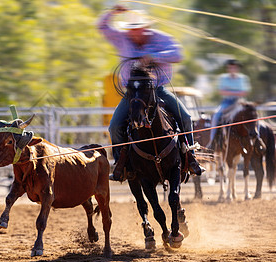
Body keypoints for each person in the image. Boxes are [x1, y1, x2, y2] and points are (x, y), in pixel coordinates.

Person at [97, 5, 204, 181]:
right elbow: (102, 27)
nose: (132, 33)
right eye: (130, 29)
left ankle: (190, 157)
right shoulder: (122, 39)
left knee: (184, 117)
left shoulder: (160, 38)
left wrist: (153, 56)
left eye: (136, 29)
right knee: (115, 126)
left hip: (158, 90)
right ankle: (120, 164)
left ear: (145, 28)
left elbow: (178, 54)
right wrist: (113, 12)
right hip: (133, 93)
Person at [207, 59, 251, 148]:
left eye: (234, 67)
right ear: (228, 68)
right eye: (230, 67)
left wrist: (230, 91)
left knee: (252, 114)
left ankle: (256, 139)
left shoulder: (243, 78)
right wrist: (237, 92)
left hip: (240, 102)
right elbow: (222, 92)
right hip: (227, 102)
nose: (232, 69)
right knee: (216, 115)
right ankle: (212, 141)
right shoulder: (223, 78)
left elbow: (245, 92)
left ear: (237, 68)